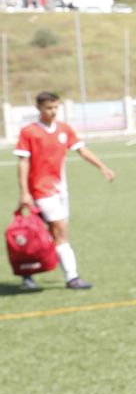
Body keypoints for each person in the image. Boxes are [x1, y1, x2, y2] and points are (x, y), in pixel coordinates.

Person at [13, 91, 115, 290]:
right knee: (60, 232)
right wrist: (25, 192)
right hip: (41, 190)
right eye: (48, 108)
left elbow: (82, 150)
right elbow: (23, 162)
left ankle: (28, 275)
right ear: (38, 108)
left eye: (55, 107)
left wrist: (102, 167)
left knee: (46, 234)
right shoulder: (29, 132)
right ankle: (72, 277)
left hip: (61, 191)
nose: (53, 112)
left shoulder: (64, 129)